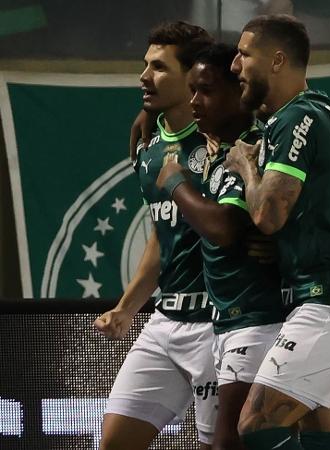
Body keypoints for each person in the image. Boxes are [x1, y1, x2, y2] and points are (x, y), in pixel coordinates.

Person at [225, 14, 330, 450]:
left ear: (277, 60)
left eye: (244, 54)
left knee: (256, 424)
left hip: (329, 301)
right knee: (322, 439)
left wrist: (245, 166)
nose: (235, 65)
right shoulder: (320, 109)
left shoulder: (298, 117)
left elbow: (269, 214)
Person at [155, 43, 286, 450]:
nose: (195, 101)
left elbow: (224, 228)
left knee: (232, 440)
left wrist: (174, 182)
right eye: (192, 90)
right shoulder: (218, 148)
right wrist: (148, 114)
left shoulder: (249, 149)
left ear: (239, 92)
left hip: (257, 318)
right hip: (230, 321)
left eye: (206, 91)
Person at [93, 21, 217, 450]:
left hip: (220, 327)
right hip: (165, 323)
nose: (144, 77)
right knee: (114, 443)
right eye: (145, 65)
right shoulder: (147, 150)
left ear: (195, 77)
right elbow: (160, 238)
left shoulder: (226, 138)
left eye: (159, 68)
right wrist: (128, 308)